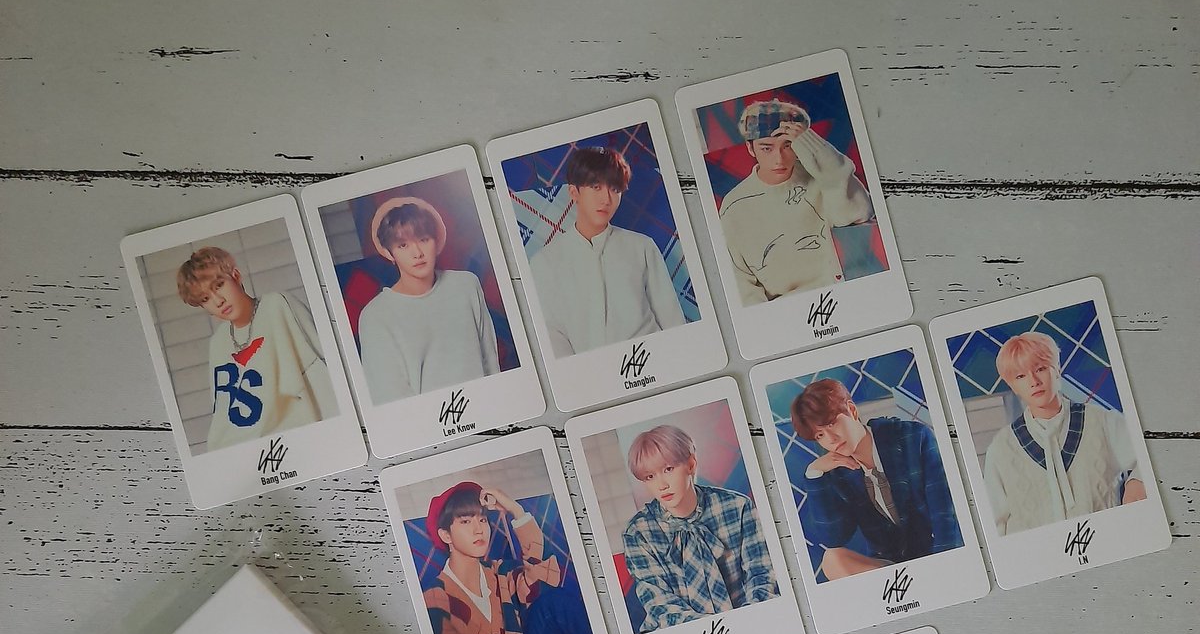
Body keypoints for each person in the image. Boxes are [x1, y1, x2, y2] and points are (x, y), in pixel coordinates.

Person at [790, 378, 963, 580]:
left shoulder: (913, 437)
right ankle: (905, 587)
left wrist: (945, 568)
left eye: (832, 423)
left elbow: (944, 511)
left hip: (936, 553)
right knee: (832, 559)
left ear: (852, 410)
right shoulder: (836, 473)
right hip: (891, 569)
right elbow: (834, 538)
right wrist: (814, 474)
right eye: (820, 435)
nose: (831, 439)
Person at [982, 331, 1146, 535]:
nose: (1033, 381)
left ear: (1057, 369)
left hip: (1108, 538)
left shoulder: (1103, 422)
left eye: (1040, 369)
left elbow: (1152, 454)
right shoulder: (1001, 448)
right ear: (1012, 385)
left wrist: (1137, 481)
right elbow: (996, 523)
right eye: (1020, 376)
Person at [176, 246, 337, 453]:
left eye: (219, 285)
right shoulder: (218, 343)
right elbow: (222, 412)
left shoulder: (276, 305)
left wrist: (336, 427)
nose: (218, 301)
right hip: (245, 450)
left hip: (295, 436)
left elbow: (319, 365)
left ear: (236, 276)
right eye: (205, 299)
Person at [528, 146, 686, 357]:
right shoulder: (544, 262)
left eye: (614, 189)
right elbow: (552, 335)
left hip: (654, 359)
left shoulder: (642, 247)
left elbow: (672, 320)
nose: (606, 199)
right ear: (574, 192)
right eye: (596, 187)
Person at [621, 424, 779, 633]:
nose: (661, 485)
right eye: (650, 477)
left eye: (668, 469)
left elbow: (761, 575)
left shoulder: (737, 507)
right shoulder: (638, 533)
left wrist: (745, 625)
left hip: (748, 624)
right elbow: (661, 605)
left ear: (691, 464)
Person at [717, 98, 872, 306]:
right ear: (750, 148)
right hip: (786, 310)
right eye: (766, 148)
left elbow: (859, 216)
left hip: (848, 291)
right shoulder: (734, 206)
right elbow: (742, 285)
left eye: (788, 145)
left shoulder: (823, 176)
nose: (779, 159)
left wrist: (815, 149)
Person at [356, 197, 500, 405]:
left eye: (423, 240)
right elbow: (389, 397)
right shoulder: (375, 316)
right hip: (430, 421)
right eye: (403, 245)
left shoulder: (466, 285)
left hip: (487, 407)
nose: (417, 253)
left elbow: (490, 360)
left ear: (436, 240)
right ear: (389, 253)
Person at [422, 481, 568, 634]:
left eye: (482, 520)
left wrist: (516, 511)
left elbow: (546, 581)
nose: (479, 530)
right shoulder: (435, 599)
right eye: (466, 521)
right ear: (446, 535)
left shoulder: (500, 571)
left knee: (556, 600)